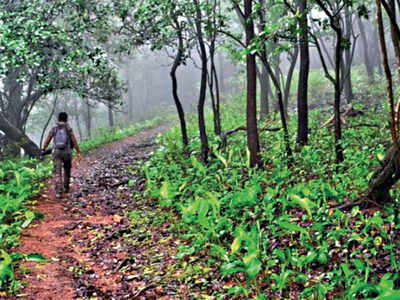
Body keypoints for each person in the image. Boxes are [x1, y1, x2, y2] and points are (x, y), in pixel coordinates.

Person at [42, 112, 81, 198]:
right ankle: (66, 187)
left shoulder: (54, 128)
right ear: (66, 119)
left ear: (58, 119)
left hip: (57, 152)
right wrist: (78, 152)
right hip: (67, 152)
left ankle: (59, 192)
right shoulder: (68, 128)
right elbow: (74, 140)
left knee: (57, 171)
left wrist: (44, 148)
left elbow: (48, 139)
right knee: (67, 169)